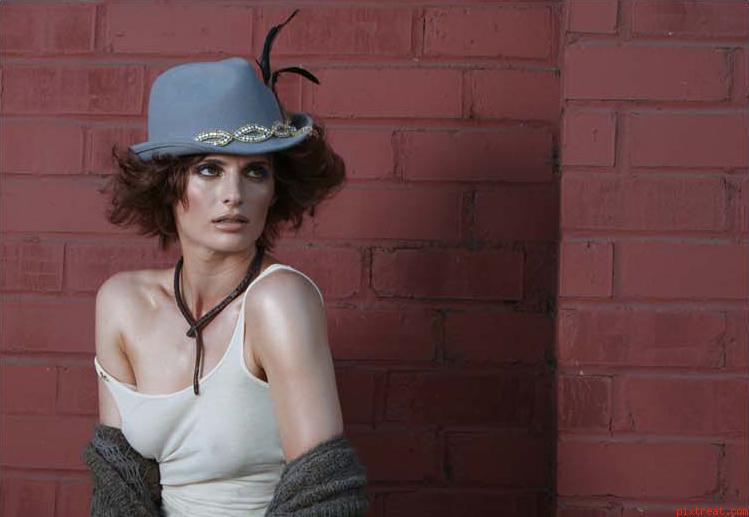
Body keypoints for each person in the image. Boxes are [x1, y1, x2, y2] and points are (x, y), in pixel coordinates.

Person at [85, 10, 368, 516]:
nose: (234, 194)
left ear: (275, 190)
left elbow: (325, 497)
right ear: (167, 184)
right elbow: (119, 491)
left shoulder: (278, 301)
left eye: (255, 172)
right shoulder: (122, 303)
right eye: (210, 169)